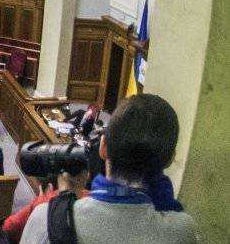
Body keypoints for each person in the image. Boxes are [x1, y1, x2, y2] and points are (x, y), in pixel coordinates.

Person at [19, 94, 198, 244]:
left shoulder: (46, 221)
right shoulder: (182, 231)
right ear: (169, 160)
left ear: (103, 147)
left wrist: (65, 204)